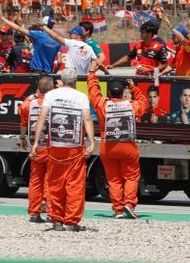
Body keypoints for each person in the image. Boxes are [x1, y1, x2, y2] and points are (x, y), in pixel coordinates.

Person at [31, 68, 95, 232]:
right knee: (74, 185)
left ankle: (57, 219)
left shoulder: (51, 95)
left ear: (60, 79)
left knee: (55, 184)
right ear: (75, 81)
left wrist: (36, 142)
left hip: (55, 146)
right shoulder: (81, 96)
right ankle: (72, 221)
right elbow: (87, 119)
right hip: (74, 147)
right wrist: (92, 142)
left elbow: (42, 117)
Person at [87, 61, 148, 218]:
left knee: (113, 179)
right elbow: (144, 104)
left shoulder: (103, 105)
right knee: (131, 177)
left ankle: (118, 209)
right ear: (123, 94)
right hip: (128, 147)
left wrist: (92, 74)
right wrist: (134, 88)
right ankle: (129, 204)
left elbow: (93, 93)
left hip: (108, 147)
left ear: (109, 94)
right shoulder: (131, 105)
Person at [19, 75, 54, 223]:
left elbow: (23, 122)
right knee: (50, 179)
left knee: (35, 180)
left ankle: (34, 212)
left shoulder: (28, 102)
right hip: (51, 147)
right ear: (51, 88)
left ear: (38, 87)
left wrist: (22, 139)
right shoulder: (53, 102)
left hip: (35, 146)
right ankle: (48, 207)